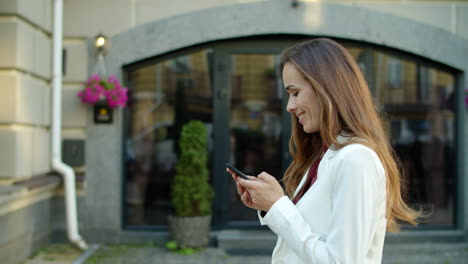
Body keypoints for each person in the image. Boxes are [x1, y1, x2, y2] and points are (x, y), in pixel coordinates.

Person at [227, 38, 420, 263]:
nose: (289, 106)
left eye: (295, 93)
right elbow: (306, 238)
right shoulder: (325, 156)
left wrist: (278, 205)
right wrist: (269, 205)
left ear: (325, 88)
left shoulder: (356, 159)